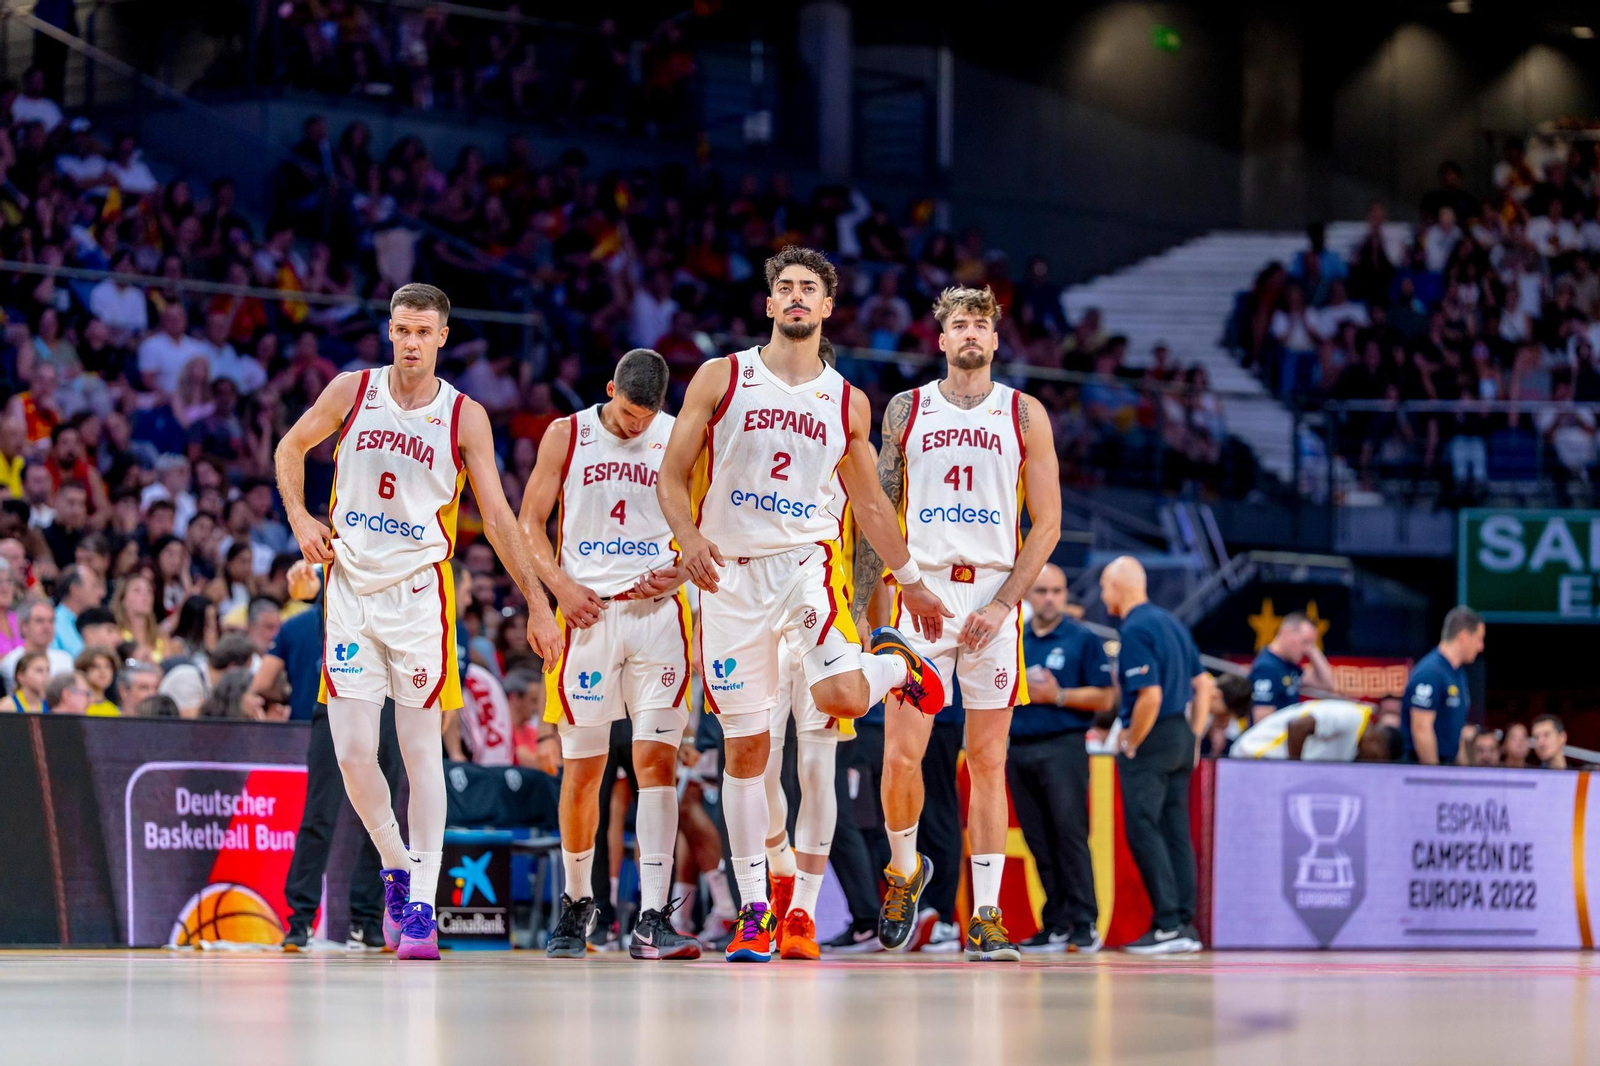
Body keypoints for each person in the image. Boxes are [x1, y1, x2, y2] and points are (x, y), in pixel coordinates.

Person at [655, 246, 951, 963]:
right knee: (747, 752)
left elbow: (870, 505)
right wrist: (687, 537)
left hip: (805, 568)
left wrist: (911, 578)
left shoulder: (847, 400)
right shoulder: (722, 376)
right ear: (768, 304)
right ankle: (758, 911)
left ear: (826, 307)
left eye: (808, 288)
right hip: (729, 579)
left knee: (841, 698)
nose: (795, 296)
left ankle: (895, 666)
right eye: (784, 286)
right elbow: (670, 474)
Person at [275, 282, 562, 962]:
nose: (410, 341)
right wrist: (300, 518)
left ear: (442, 337)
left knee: (418, 751)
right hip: (349, 590)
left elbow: (498, 518)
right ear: (390, 331)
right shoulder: (352, 390)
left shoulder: (464, 416)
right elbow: (289, 448)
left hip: (418, 599)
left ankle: (423, 908)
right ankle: (397, 863)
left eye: (422, 332)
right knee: (352, 753)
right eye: (401, 329)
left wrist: (536, 600)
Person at [854, 283, 1060, 963]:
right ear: (941, 339)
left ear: (995, 340)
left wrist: (1003, 606)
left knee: (989, 761)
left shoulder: (1024, 413)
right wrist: (874, 599)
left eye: (980, 324)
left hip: (995, 597)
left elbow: (1048, 524)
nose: (970, 333)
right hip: (923, 594)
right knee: (901, 755)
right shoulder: (907, 408)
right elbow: (878, 512)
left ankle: (988, 916)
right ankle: (904, 871)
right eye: (959, 324)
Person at [516, 349, 700, 962]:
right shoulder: (566, 434)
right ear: (608, 390)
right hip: (586, 615)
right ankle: (576, 904)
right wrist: (559, 589)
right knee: (583, 770)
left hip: (658, 617)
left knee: (656, 765)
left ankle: (653, 915)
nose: (634, 426)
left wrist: (682, 572)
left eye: (645, 417)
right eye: (626, 415)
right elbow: (529, 522)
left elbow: (712, 521)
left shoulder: (678, 436)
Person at [1100, 556, 1211, 955]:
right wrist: (1194, 736)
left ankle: (1166, 924)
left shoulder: (1135, 629)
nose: (1102, 595)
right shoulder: (1172, 623)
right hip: (1179, 735)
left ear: (1118, 586)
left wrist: (1130, 741)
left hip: (1152, 737)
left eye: (1104, 587)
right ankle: (1183, 924)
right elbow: (1204, 685)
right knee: (1175, 830)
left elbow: (1150, 696)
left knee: (1144, 828)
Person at [1011, 564, 1114, 954]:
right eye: (1042, 591)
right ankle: (1055, 922)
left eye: (1057, 591)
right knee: (1037, 839)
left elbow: (1105, 698)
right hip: (1019, 747)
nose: (1050, 598)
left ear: (1066, 593)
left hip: (1063, 746)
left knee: (1069, 836)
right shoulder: (1015, 638)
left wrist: (1057, 696)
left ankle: (1084, 922)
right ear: (1028, 595)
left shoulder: (1082, 638)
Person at [1401, 606, 1486, 765]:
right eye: (1479, 639)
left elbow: (1456, 730)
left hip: (1447, 764)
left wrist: (1462, 770)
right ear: (1463, 637)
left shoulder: (1457, 673)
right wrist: (1434, 774)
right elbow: (1421, 729)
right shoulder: (1430, 673)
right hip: (1422, 767)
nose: (1481, 647)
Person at [1229, 696, 1399, 762]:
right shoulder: (1353, 716)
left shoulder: (1353, 748)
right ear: (1378, 742)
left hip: (1265, 765)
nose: (1371, 763)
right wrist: (1294, 771)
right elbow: (1297, 726)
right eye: (1378, 759)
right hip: (1252, 756)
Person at [1247, 613, 1336, 722]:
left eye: (1310, 644)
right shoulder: (1267, 668)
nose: (1305, 650)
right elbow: (1261, 722)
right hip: (1276, 732)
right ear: (1286, 632)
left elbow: (1326, 685)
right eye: (1304, 642)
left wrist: (1313, 650)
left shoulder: (1289, 666)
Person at [158, 633, 257, 718]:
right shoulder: (186, 678)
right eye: (245, 671)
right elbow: (189, 722)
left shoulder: (219, 689)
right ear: (232, 668)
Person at [0, 599, 75, 688]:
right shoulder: (11, 662)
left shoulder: (65, 660)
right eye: (39, 621)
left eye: (51, 621)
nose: (47, 626)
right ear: (24, 626)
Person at [51, 564, 104, 657]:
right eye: (94, 586)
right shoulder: (53, 622)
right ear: (75, 590)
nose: (101, 593)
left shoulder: (84, 622)